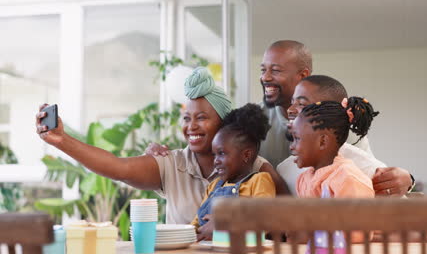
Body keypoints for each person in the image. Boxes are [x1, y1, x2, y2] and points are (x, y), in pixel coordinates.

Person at [35, 67, 286, 226]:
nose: (191, 127)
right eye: (187, 119)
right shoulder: (171, 163)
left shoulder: (253, 167)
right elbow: (116, 167)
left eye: (202, 118)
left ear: (224, 122)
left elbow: (287, 215)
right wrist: (62, 140)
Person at [259, 40, 414, 196]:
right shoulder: (253, 124)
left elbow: (375, 174)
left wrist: (407, 181)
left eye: (276, 70)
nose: (265, 77)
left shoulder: (343, 126)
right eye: (263, 70)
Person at [278, 75, 411, 196]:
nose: (290, 109)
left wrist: (409, 181)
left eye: (301, 104)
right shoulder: (285, 170)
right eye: (292, 102)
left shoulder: (365, 168)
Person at [293, 99, 378, 243]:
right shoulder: (303, 179)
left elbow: (359, 233)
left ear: (323, 142)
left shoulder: (348, 179)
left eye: (297, 139)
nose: (292, 146)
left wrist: (309, 235)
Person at [191, 103, 275, 241]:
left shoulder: (259, 181)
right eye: (214, 155)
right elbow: (195, 224)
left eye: (222, 153)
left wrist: (223, 224)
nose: (216, 161)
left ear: (246, 155)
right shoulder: (214, 186)